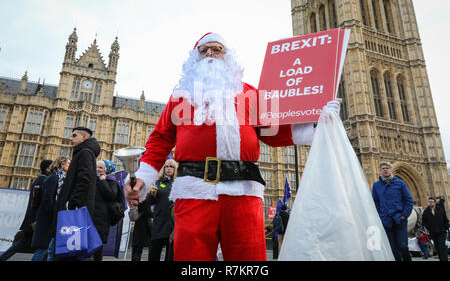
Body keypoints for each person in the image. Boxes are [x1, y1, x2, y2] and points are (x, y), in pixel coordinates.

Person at [124, 32, 341, 261]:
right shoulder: (181, 96)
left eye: (216, 49)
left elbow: (273, 130)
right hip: (194, 192)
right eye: (204, 49)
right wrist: (144, 176)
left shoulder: (249, 93)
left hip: (243, 192)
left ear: (227, 57)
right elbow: (160, 138)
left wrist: (317, 120)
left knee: (248, 259)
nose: (210, 53)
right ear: (195, 57)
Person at [51, 126, 100, 260]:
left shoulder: (85, 152)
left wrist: (72, 202)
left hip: (75, 208)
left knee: (71, 253)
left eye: (74, 136)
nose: (70, 138)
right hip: (77, 207)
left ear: (84, 137)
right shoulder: (83, 152)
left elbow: (84, 179)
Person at [0, 159, 52, 261]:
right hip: (35, 221)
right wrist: (37, 220)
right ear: (47, 168)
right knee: (44, 246)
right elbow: (38, 202)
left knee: (24, 243)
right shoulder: (44, 180)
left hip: (31, 219)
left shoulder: (37, 180)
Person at [372, 161, 414, 261]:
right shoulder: (376, 185)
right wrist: (381, 216)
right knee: (393, 249)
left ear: (391, 170)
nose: (385, 170)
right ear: (380, 171)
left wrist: (404, 215)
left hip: (400, 219)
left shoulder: (400, 183)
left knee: (403, 246)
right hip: (386, 221)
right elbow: (375, 203)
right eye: (383, 168)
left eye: (387, 168)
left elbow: (409, 200)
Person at [31, 156, 71, 261]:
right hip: (48, 218)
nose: (70, 166)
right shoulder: (54, 177)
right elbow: (47, 198)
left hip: (53, 218)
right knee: (43, 248)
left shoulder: (62, 178)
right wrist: (55, 211)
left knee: (49, 249)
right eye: (68, 164)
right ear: (62, 165)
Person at [143, 158, 177, 261]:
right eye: (166, 166)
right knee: (154, 253)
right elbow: (149, 202)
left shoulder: (178, 183)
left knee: (170, 256)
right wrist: (150, 194)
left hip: (173, 224)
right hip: (159, 222)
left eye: (171, 167)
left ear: (175, 169)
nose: (169, 169)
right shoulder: (157, 183)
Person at [91, 159, 120, 261]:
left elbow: (111, 195)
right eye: (96, 167)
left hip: (101, 219)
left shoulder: (111, 181)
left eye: (100, 168)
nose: (97, 169)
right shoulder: (92, 180)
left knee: (97, 249)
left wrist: (103, 182)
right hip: (89, 217)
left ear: (107, 170)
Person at [421, 196, 449, 261]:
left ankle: (444, 259)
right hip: (433, 232)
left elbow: (445, 219)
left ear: (435, 202)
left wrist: (445, 227)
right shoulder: (426, 211)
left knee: (441, 246)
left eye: (431, 202)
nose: (430, 203)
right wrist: (428, 228)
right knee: (437, 247)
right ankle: (441, 258)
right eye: (429, 202)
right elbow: (424, 221)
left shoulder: (440, 209)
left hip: (441, 231)